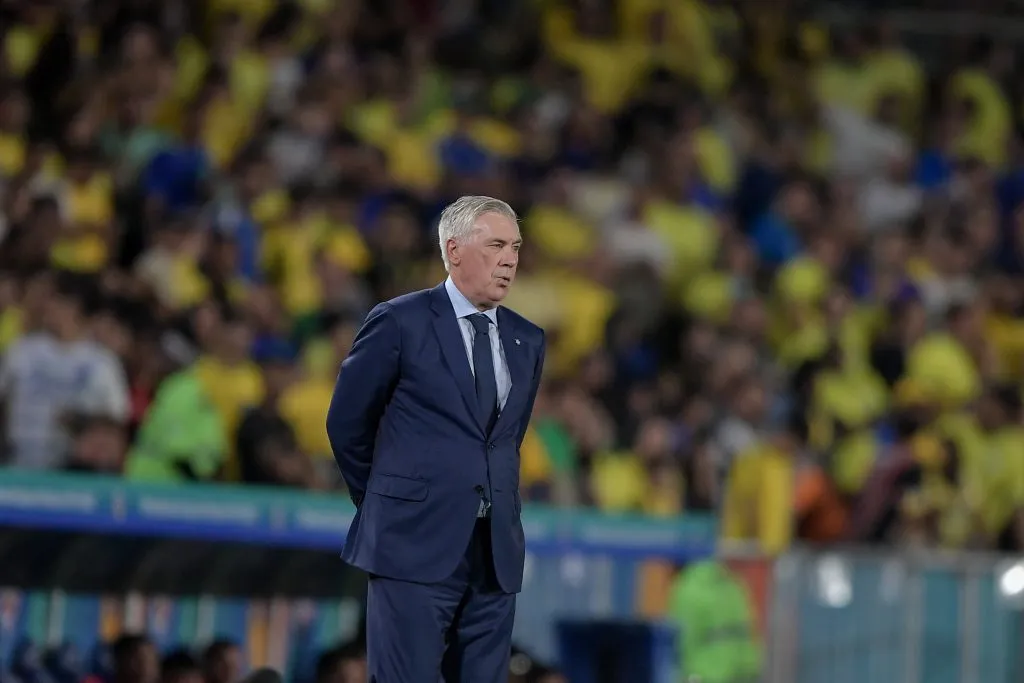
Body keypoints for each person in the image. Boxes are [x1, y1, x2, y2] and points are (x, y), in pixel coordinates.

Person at [327, 195, 546, 683]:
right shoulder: (400, 320)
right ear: (454, 250)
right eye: (495, 245)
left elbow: (504, 440)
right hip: (411, 543)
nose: (510, 258)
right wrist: (390, 500)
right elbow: (347, 423)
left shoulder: (527, 340)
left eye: (515, 246)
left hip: (494, 555)